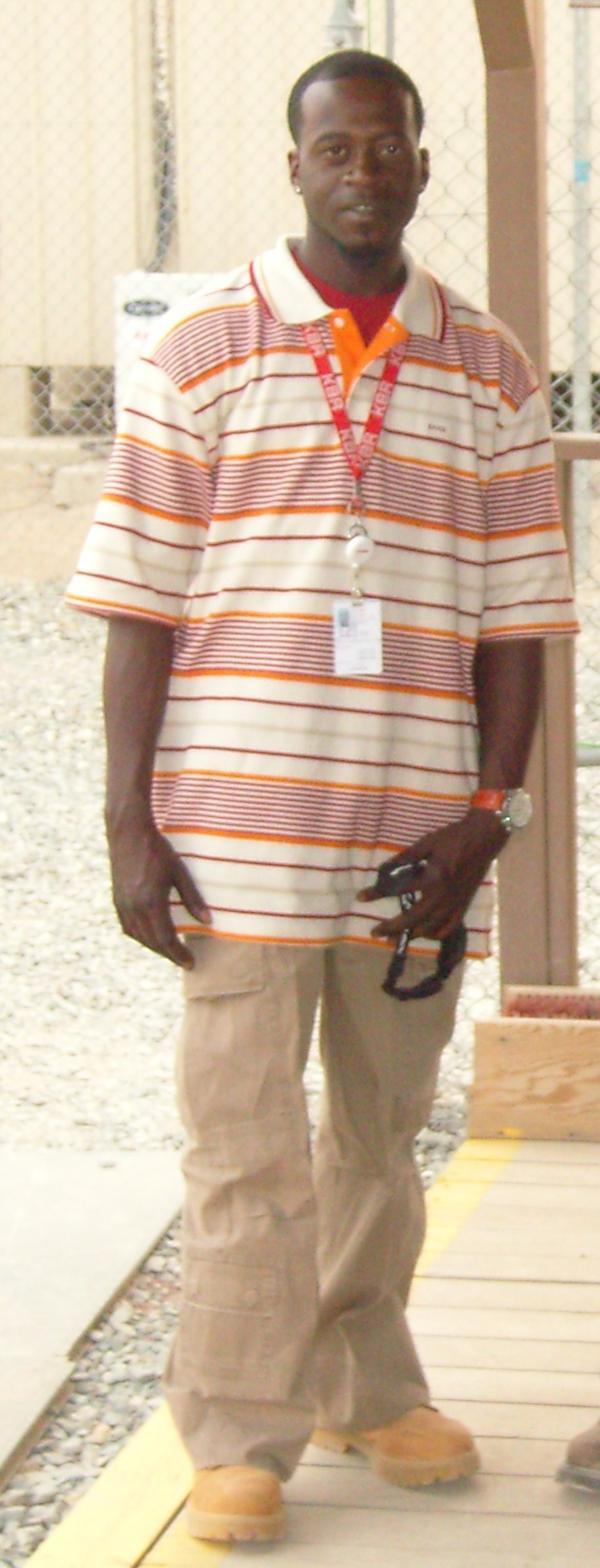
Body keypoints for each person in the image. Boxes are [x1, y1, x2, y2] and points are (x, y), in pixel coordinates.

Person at [67, 49, 578, 1544]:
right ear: (294, 165)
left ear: (423, 161)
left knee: (380, 1137)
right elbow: (138, 605)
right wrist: (128, 826)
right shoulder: (203, 350)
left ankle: (369, 1387)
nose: (365, 173)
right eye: (336, 149)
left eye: (389, 147)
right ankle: (238, 1431)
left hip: (416, 843)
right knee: (243, 1145)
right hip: (237, 839)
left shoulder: (492, 369)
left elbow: (519, 621)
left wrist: (489, 817)